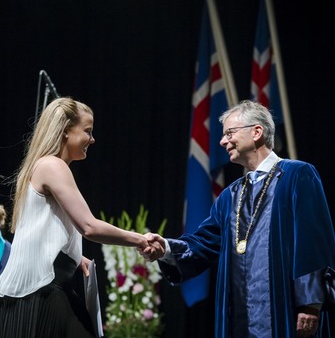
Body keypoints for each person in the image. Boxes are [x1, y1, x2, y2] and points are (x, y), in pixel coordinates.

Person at [142, 100, 335, 338]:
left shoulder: (297, 175)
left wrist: (309, 302)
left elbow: (313, 241)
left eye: (229, 133)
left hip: (284, 308)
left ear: (257, 132)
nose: (223, 141)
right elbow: (204, 243)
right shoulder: (231, 195)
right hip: (239, 314)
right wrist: (167, 248)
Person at [0, 96, 151, 337]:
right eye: (87, 131)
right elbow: (89, 226)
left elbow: (40, 228)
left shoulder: (43, 166)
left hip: (41, 291)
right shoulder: (53, 166)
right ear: (65, 131)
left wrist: (74, 256)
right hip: (41, 295)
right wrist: (141, 240)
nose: (92, 139)